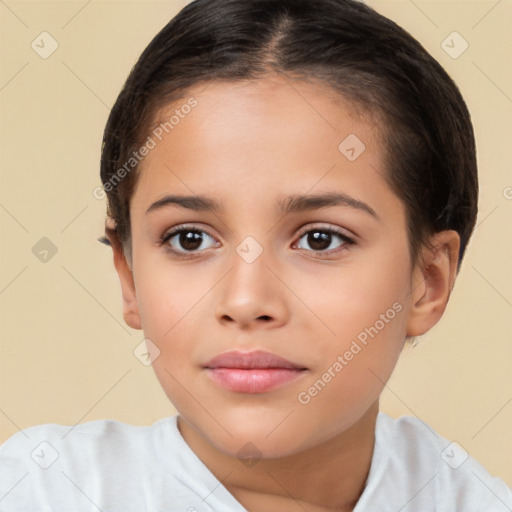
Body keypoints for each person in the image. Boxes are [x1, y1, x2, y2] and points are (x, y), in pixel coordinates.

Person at [1, 0, 511, 510]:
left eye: (320, 239)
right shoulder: (40, 491)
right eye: (190, 239)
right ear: (130, 276)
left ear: (428, 280)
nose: (246, 301)